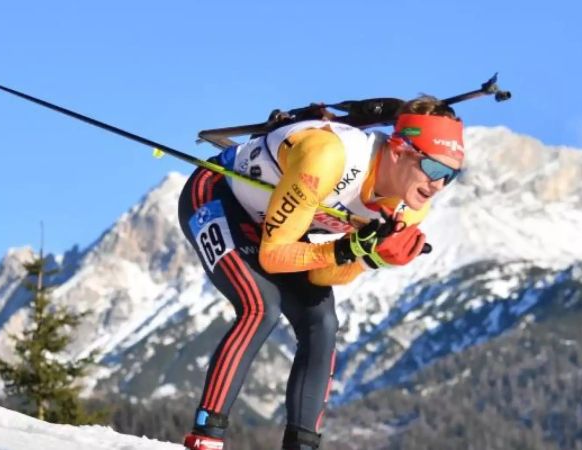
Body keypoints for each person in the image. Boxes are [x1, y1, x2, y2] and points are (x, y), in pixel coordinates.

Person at [177, 96, 464, 450]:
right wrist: (346, 248)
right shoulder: (328, 156)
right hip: (217, 195)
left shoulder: (411, 207)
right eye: (434, 168)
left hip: (277, 225)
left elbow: (322, 277)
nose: (438, 185)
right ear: (398, 150)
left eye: (450, 176)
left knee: (322, 323)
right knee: (260, 307)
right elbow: (273, 256)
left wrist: (368, 257)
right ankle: (207, 436)